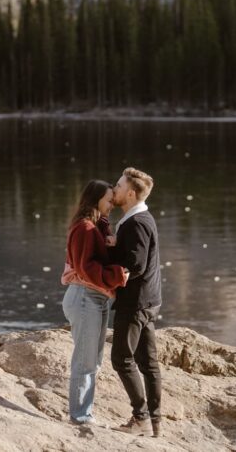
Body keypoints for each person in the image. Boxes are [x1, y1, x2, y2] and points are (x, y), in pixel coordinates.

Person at [60, 179, 128, 425]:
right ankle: (80, 416)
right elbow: (85, 267)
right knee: (85, 360)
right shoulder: (85, 229)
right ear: (96, 199)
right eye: (109, 200)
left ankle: (84, 412)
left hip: (96, 298)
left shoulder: (96, 227)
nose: (112, 204)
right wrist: (117, 276)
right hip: (84, 297)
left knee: (94, 360)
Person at [106, 167, 162, 438]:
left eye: (117, 185)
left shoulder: (136, 222)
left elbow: (135, 264)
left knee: (121, 359)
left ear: (130, 192)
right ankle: (156, 421)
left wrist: (110, 251)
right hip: (150, 300)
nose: (113, 189)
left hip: (135, 303)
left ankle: (141, 418)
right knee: (148, 362)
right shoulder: (143, 218)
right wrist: (118, 243)